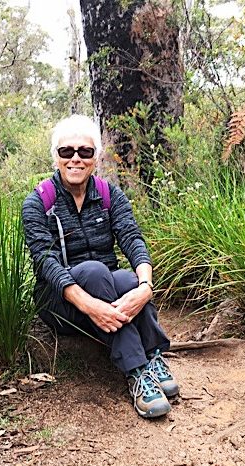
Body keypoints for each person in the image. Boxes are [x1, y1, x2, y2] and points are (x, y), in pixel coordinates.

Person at [21, 114, 179, 418]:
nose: (76, 159)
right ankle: (137, 370)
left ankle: (155, 354)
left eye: (85, 151)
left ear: (95, 157)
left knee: (127, 279)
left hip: (105, 288)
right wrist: (89, 305)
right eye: (67, 151)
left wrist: (145, 287)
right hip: (60, 301)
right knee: (93, 271)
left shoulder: (109, 195)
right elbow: (44, 261)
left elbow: (132, 238)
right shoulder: (38, 203)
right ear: (56, 157)